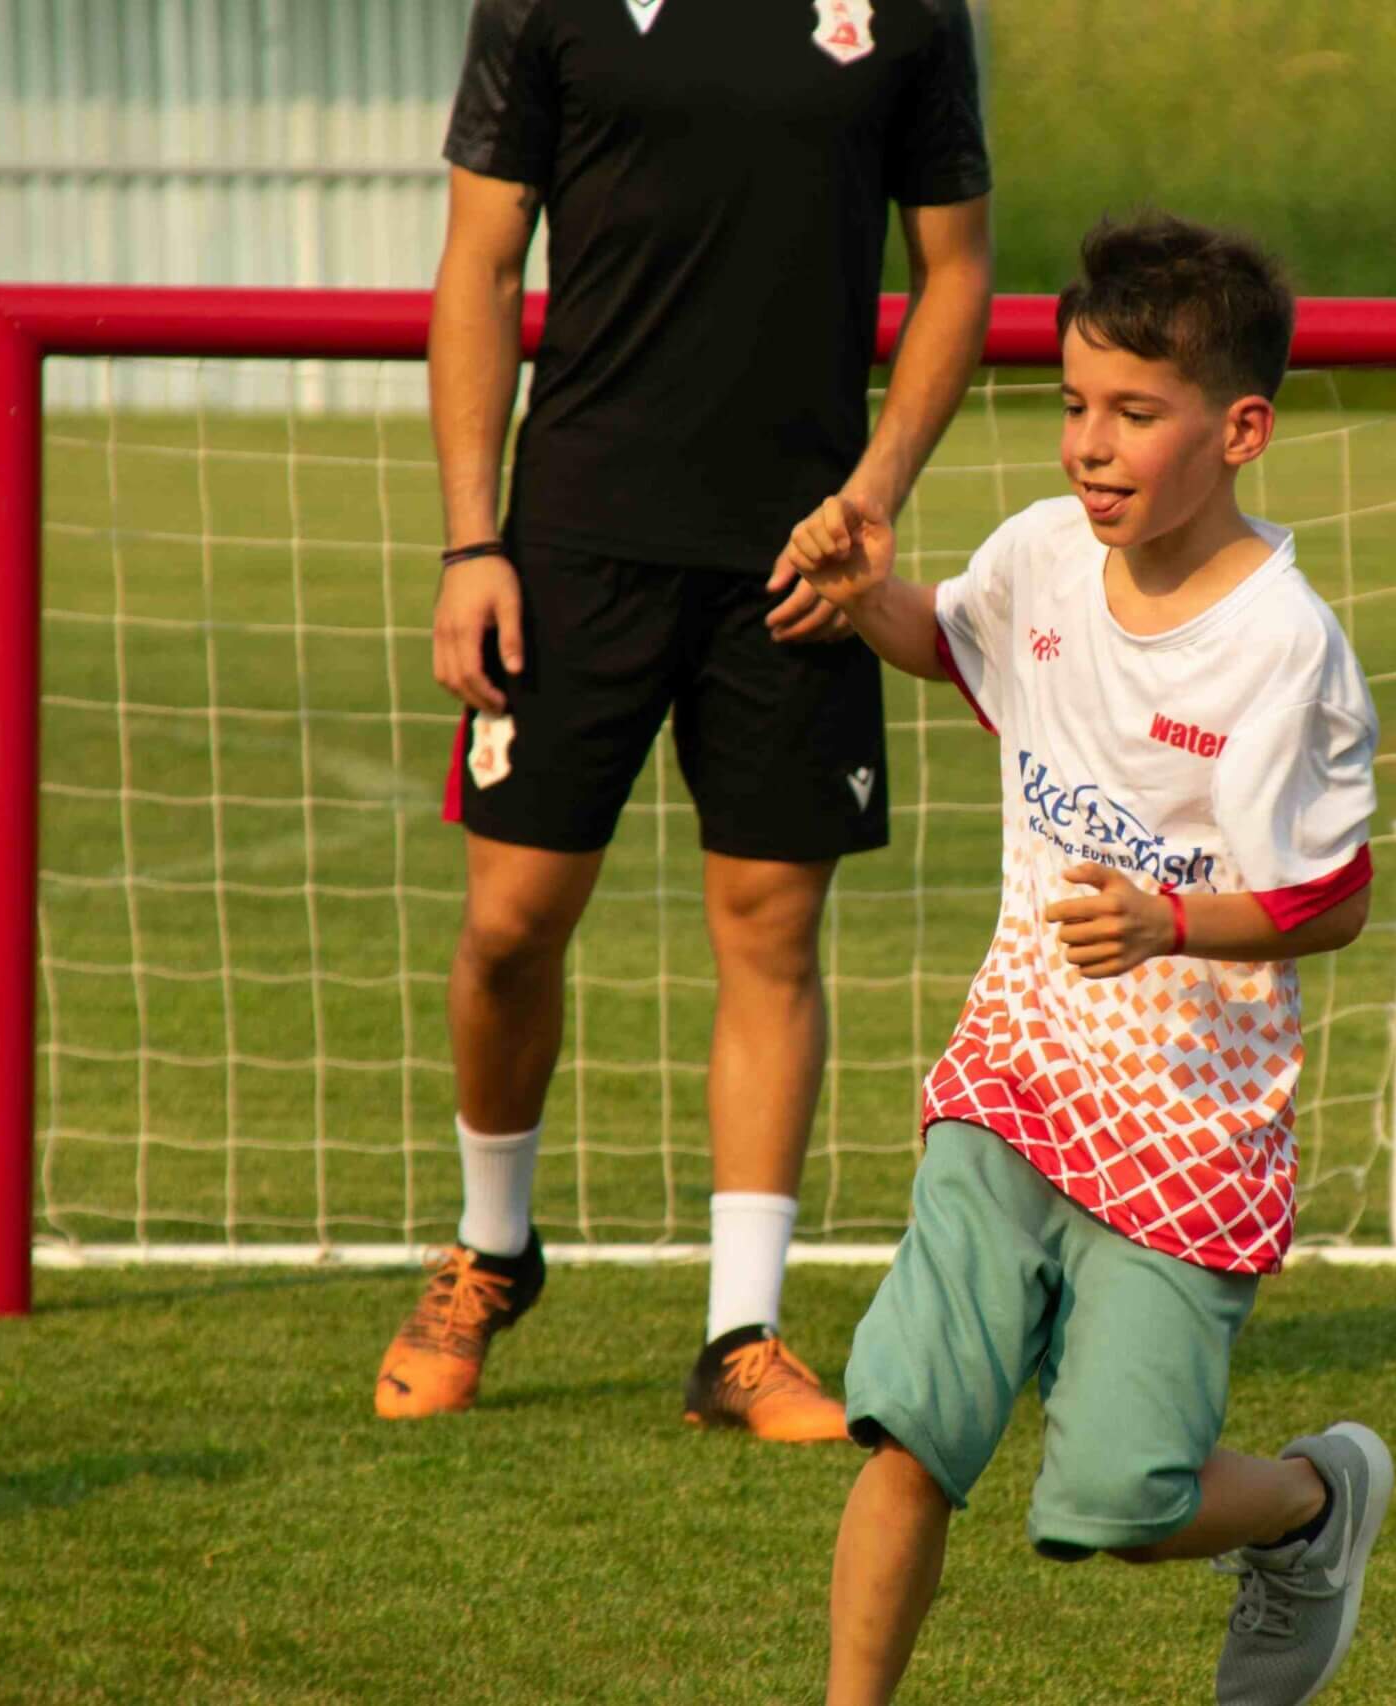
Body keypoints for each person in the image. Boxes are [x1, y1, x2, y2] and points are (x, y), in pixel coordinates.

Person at [781, 213, 1396, 1706]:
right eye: (1073, 404)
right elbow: (950, 642)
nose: (1090, 447)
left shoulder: (1284, 648)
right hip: (1019, 1072)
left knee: (1120, 1502)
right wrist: (864, 595)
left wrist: (1171, 922)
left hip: (1191, 1120)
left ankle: (1313, 1505)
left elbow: (1332, 900)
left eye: (1135, 412)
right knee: (912, 1424)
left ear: (1240, 431)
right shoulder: (1044, 556)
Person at [373, 0, 994, 1442]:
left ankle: (740, 1336)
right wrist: (472, 541)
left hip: (796, 557)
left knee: (772, 932)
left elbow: (957, 270)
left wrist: (872, 497)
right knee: (510, 924)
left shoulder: (910, 8)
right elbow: (481, 261)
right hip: (571, 546)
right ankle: (491, 1248)